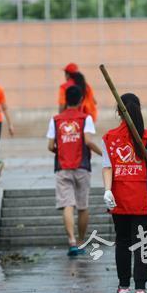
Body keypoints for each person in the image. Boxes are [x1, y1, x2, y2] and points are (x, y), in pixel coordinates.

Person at [102, 93, 147, 293]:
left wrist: (107, 190)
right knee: (142, 243)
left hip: (119, 197)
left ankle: (123, 287)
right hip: (143, 199)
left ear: (118, 112)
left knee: (122, 242)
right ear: (138, 110)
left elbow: (107, 167)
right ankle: (140, 290)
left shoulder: (109, 137)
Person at [47, 85, 103, 257]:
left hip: (63, 167)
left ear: (65, 100)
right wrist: (104, 154)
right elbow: (87, 141)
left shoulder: (55, 119)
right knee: (82, 206)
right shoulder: (85, 118)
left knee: (67, 205)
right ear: (80, 100)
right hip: (82, 166)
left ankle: (71, 241)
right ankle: (80, 241)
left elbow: (50, 146)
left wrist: (63, 151)